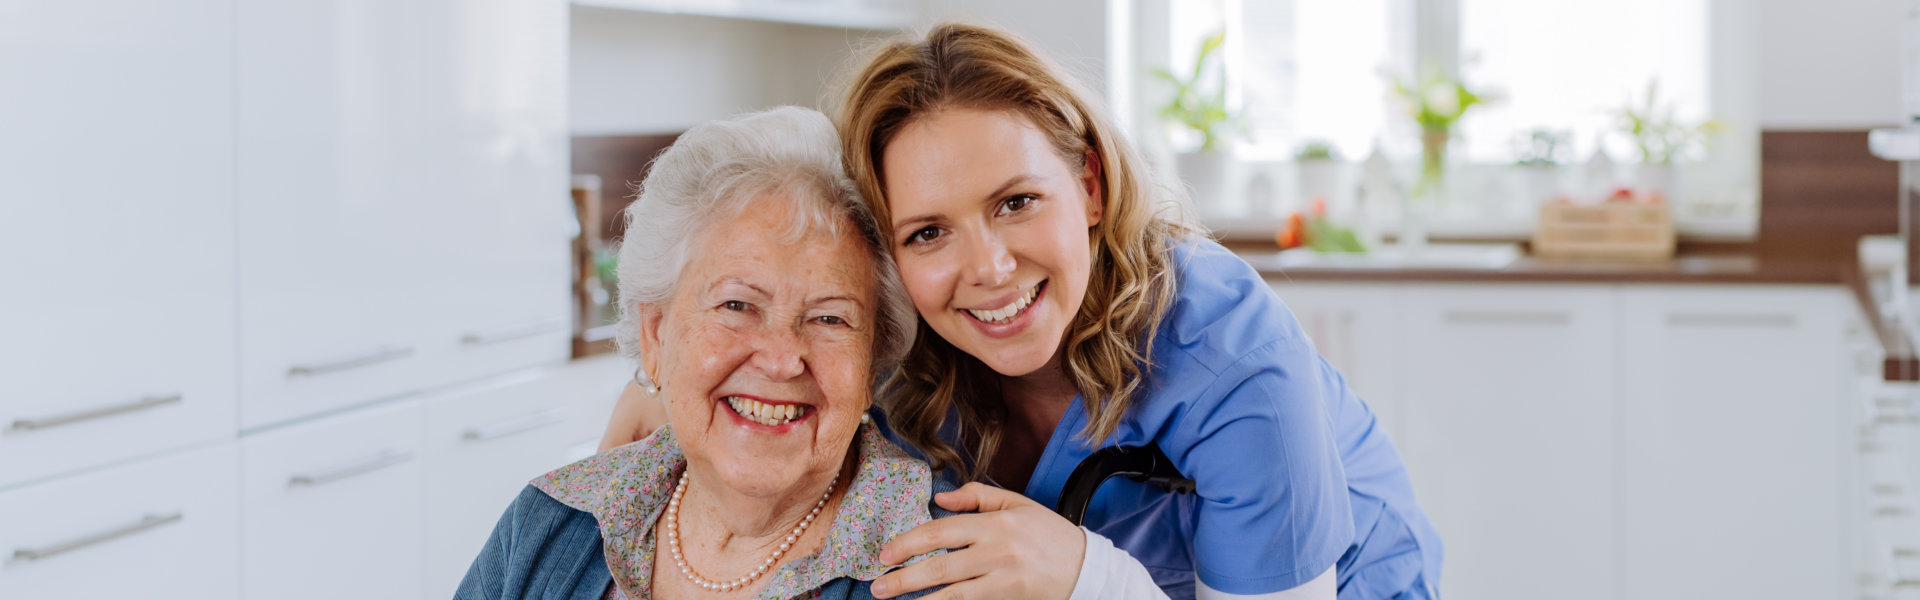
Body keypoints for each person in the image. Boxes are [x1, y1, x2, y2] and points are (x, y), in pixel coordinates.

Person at [605, 24, 1444, 600]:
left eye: (1015, 202)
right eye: (929, 230)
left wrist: (1085, 576)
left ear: (1087, 186)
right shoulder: (892, 339)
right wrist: (676, 382)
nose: (989, 270)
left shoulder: (1228, 357)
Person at [458, 106, 945, 600]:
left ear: (870, 368)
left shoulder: (943, 569)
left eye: (829, 318)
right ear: (656, 336)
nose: (781, 360)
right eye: (737, 304)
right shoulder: (548, 522)